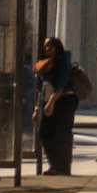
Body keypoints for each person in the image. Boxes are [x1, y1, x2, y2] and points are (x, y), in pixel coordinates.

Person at [30, 36, 83, 177]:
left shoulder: (63, 63)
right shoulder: (44, 64)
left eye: (51, 46)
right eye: (46, 46)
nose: (48, 49)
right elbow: (41, 88)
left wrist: (51, 102)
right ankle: (54, 164)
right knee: (44, 132)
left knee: (62, 134)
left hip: (64, 101)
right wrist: (37, 108)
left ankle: (63, 167)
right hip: (48, 101)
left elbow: (61, 85)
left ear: (57, 48)